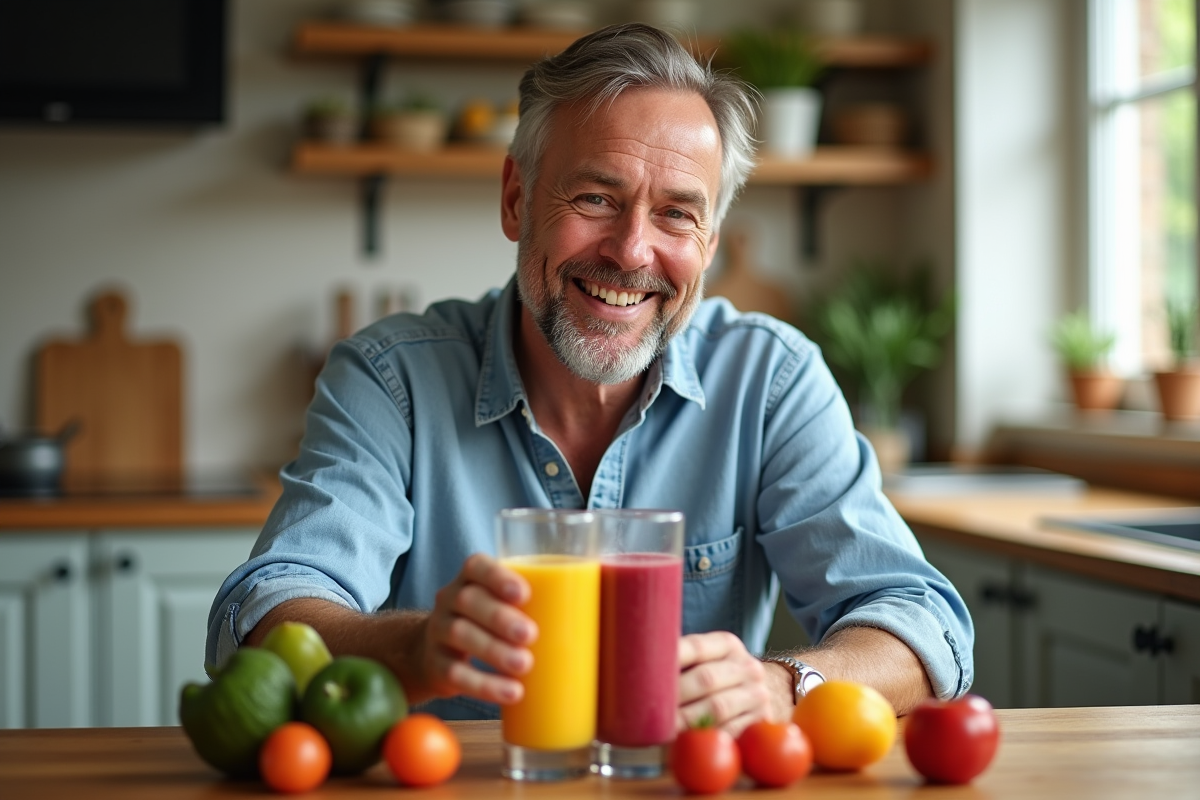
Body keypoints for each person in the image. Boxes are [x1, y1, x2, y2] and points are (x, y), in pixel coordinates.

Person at [207, 23, 972, 734]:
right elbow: (268, 608)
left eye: (677, 214)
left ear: (709, 242)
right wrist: (413, 649)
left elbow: (919, 620)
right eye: (596, 198)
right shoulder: (392, 380)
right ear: (516, 199)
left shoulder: (769, 380)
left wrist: (788, 684)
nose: (632, 252)